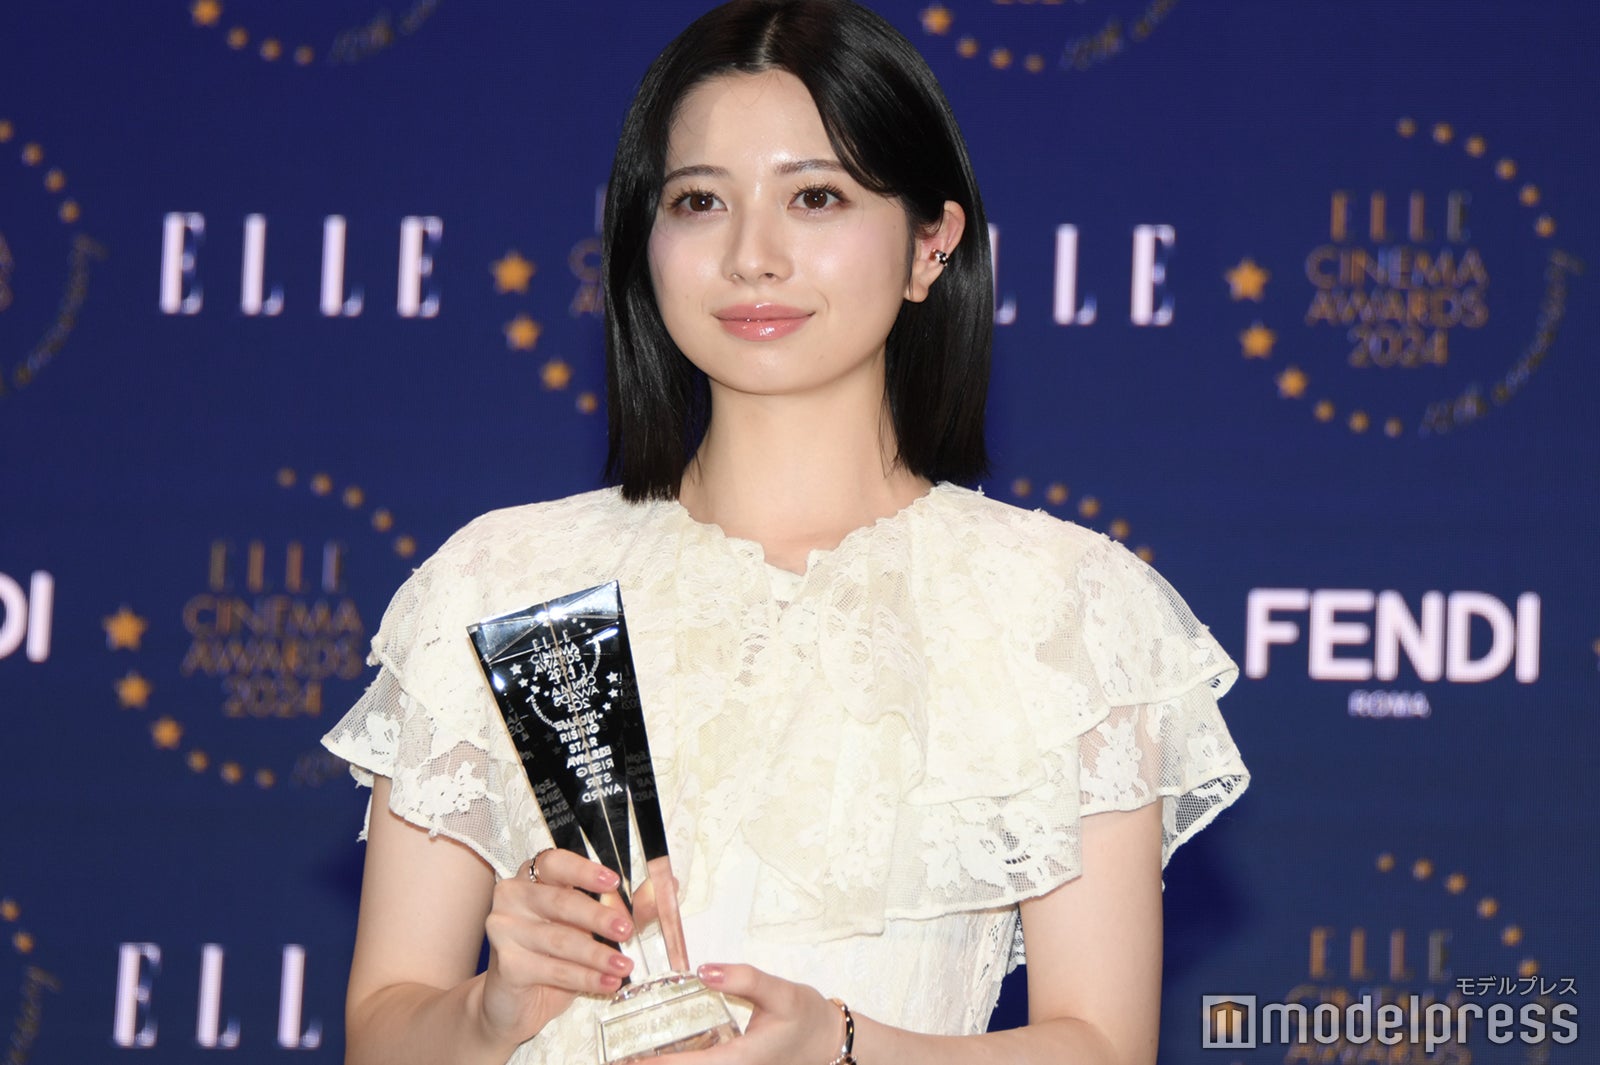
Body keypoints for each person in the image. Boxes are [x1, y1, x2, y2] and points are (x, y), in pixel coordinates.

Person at [322, 1, 1249, 1063]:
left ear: (931, 246)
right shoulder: (502, 582)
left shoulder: (1065, 612)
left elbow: (1101, 1046)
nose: (751, 256)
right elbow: (383, 1030)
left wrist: (841, 1044)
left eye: (815, 197)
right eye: (699, 201)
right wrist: (493, 1009)